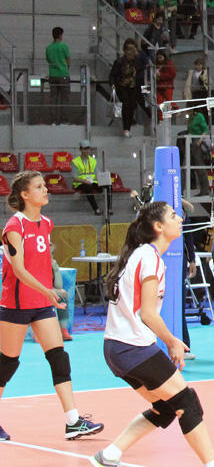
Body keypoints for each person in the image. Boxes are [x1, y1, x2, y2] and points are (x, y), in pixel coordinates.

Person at [90, 201, 214, 467]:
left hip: (117, 349)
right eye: (174, 216)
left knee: (166, 407)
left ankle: (109, 455)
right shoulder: (149, 257)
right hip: (132, 348)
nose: (180, 219)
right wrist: (173, 342)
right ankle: (213, 464)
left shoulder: (141, 255)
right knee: (187, 402)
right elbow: (148, 314)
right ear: (158, 227)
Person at [0, 171, 104, 442]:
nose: (45, 190)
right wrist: (48, 291)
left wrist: (48, 292)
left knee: (59, 357)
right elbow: (20, 270)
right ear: (24, 195)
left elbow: (43, 264)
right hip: (16, 304)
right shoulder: (14, 227)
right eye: (38, 187)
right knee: (6, 364)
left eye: (44, 186)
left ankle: (73, 422)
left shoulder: (46, 223)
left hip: (41, 303)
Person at [45, 26, 71, 125]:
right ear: (60, 35)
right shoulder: (64, 46)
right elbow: (68, 60)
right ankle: (64, 120)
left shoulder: (49, 48)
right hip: (63, 74)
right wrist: (65, 68)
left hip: (52, 75)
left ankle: (53, 120)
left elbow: (48, 60)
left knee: (53, 98)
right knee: (65, 98)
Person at [72, 140, 103, 215]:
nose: (87, 151)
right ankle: (96, 209)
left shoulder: (93, 161)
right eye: (85, 148)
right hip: (80, 183)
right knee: (88, 187)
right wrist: (85, 181)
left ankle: (109, 209)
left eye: (88, 148)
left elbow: (98, 173)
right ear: (81, 149)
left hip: (92, 182)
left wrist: (103, 180)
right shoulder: (75, 161)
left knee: (108, 186)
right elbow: (75, 178)